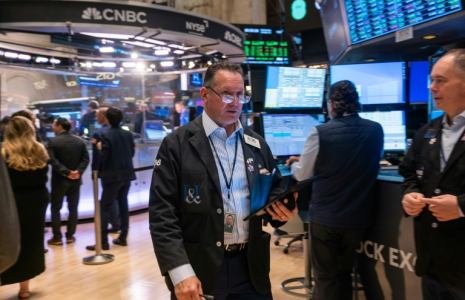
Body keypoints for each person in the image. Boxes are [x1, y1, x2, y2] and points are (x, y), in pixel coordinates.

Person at [149, 61, 298, 300]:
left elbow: (273, 190)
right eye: (227, 94)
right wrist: (179, 271)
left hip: (251, 268)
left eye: (240, 95)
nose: (236, 102)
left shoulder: (256, 143)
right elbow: (162, 214)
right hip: (199, 269)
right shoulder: (176, 144)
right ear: (205, 94)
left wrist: (280, 210)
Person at [286, 80, 384, 300]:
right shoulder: (376, 130)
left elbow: (302, 174)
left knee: (324, 278)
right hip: (358, 218)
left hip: (326, 219)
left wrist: (293, 163)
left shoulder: (320, 132)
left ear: (331, 105)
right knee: (344, 274)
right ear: (356, 102)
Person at [399, 49, 465, 299]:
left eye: (441, 80)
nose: (431, 87)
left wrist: (460, 206)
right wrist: (409, 195)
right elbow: (409, 175)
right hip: (433, 263)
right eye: (432, 79)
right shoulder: (427, 131)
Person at [0, 116, 49, 299]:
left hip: (12, 201)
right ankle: (24, 289)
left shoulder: (4, 152)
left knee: (8, 242)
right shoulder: (40, 149)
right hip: (38, 200)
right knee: (32, 242)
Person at [86, 107, 136, 250]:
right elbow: (131, 153)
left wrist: (100, 148)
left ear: (107, 118)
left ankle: (102, 241)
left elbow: (104, 156)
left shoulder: (105, 135)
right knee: (124, 205)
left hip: (111, 176)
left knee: (104, 207)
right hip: (127, 174)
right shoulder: (128, 134)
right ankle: (123, 238)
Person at [46, 118, 89, 245]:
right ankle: (70, 236)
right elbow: (85, 159)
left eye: (54, 125)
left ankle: (57, 237)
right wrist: (77, 172)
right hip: (76, 180)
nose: (53, 128)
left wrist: (66, 172)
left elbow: (52, 160)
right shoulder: (79, 141)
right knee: (73, 208)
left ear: (60, 126)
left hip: (60, 180)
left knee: (55, 208)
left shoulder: (52, 141)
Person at [91, 107, 120, 233]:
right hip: (120, 172)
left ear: (104, 117)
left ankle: (111, 227)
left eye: (97, 115)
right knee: (117, 199)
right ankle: (117, 225)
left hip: (106, 172)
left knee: (108, 200)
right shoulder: (120, 131)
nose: (96, 118)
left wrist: (94, 171)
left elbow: (98, 156)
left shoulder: (99, 134)